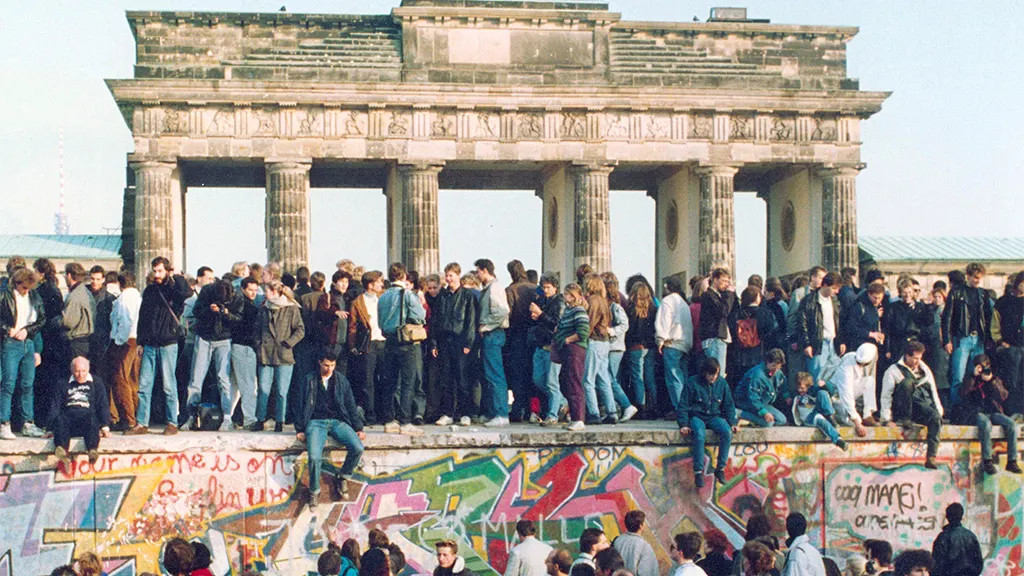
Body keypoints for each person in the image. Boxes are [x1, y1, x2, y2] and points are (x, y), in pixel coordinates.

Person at [295, 352, 365, 511]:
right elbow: (298, 404)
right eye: (326, 365)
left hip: (337, 422)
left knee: (358, 447)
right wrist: (300, 429)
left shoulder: (341, 380)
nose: (329, 369)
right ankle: (314, 491)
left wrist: (358, 427)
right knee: (314, 457)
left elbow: (350, 404)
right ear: (319, 362)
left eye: (332, 365)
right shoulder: (309, 379)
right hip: (315, 423)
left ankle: (343, 477)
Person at [130, 257, 191, 436]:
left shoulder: (173, 289)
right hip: (150, 343)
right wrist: (140, 341)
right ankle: (142, 423)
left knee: (168, 385)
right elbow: (143, 317)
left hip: (168, 343)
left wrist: (177, 276)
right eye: (155, 270)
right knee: (144, 386)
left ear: (167, 271)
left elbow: (186, 292)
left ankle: (172, 422)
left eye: (160, 271)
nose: (156, 274)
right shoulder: (149, 290)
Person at [378, 262, 428, 435]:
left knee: (390, 382)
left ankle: (389, 420)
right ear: (404, 276)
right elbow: (420, 316)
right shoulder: (407, 294)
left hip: (389, 340)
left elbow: (380, 321)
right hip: (406, 341)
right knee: (408, 382)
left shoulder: (383, 296)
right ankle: (405, 421)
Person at [0, 267, 47, 439]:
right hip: (10, 342)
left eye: (29, 287)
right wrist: (8, 330)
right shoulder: (4, 296)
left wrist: (28, 331)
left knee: (28, 384)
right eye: (24, 287)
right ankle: (4, 423)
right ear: (17, 283)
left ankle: (28, 422)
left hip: (28, 342)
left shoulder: (34, 296)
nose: (26, 291)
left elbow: (41, 319)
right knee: (8, 383)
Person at [185, 279, 237, 431]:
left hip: (224, 338)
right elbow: (196, 312)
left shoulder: (234, 296)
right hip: (204, 337)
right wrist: (209, 310)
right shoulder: (206, 292)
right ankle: (192, 416)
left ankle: (227, 417)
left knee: (223, 379)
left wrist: (226, 313)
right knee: (196, 378)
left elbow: (238, 319)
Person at [880, 341, 943, 469]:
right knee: (907, 382)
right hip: (903, 405)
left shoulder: (924, 369)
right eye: (915, 358)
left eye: (919, 358)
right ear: (907, 356)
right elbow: (886, 396)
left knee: (935, 417)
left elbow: (933, 391)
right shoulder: (893, 370)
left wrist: (939, 411)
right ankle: (906, 418)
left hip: (919, 404)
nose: (917, 361)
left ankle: (931, 457)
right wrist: (886, 419)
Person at [955, 354, 1021, 474]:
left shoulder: (994, 379)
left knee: (1011, 424)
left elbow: (1003, 396)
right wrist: (973, 377)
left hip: (993, 411)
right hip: (976, 411)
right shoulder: (970, 378)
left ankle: (1012, 461)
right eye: (979, 367)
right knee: (985, 424)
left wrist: (991, 381)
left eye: (984, 367)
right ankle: (987, 461)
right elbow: (963, 393)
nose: (982, 370)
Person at [432, 263, 479, 427]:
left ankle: (465, 413)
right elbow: (435, 320)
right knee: (446, 378)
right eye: (447, 275)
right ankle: (448, 413)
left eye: (451, 275)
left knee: (463, 378)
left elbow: (471, 320)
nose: (448, 279)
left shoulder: (467, 295)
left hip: (460, 340)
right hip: (444, 340)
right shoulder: (442, 296)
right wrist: (434, 343)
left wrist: (469, 342)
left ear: (458, 275)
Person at [679, 357, 737, 488]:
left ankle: (720, 468)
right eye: (711, 374)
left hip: (714, 416)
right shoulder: (692, 383)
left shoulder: (722, 383)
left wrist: (733, 422)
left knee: (727, 432)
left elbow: (729, 405)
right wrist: (684, 424)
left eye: (716, 374)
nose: (713, 377)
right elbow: (683, 405)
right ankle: (698, 472)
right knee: (699, 435)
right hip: (697, 416)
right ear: (704, 372)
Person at [257, 280, 305, 432]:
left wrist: (289, 343)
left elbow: (300, 330)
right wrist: (258, 345)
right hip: (265, 353)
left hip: (284, 353)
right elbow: (257, 329)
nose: (265, 293)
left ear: (275, 292)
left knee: (282, 391)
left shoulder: (291, 308)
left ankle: (280, 420)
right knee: (263, 388)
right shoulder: (263, 309)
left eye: (267, 291)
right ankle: (260, 419)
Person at [942, 263, 992, 407]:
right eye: (975, 277)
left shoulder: (983, 294)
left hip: (979, 339)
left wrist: (988, 338)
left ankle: (973, 407)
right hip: (962, 338)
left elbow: (988, 318)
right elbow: (947, 317)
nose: (978, 280)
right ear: (968, 276)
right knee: (958, 376)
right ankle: (956, 409)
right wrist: (947, 340)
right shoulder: (956, 292)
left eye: (980, 278)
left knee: (977, 375)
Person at [53, 356, 111, 465]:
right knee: (61, 420)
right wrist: (49, 428)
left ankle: (92, 450)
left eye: (83, 371)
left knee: (93, 420)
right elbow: (55, 405)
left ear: (88, 369)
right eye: (77, 371)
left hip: (87, 419)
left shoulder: (96, 382)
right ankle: (61, 449)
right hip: (69, 418)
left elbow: (103, 404)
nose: (80, 375)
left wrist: (105, 425)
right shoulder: (63, 383)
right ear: (72, 370)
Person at [475, 259, 511, 427]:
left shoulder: (494, 288)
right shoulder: (489, 288)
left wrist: (486, 326)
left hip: (493, 333)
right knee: (490, 374)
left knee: (495, 375)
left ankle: (501, 413)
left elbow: (503, 311)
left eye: (478, 271)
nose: (477, 275)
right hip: (491, 334)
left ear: (484, 271)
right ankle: (493, 412)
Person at [348, 270, 387, 426]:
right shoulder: (357, 302)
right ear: (370, 285)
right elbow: (352, 327)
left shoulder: (384, 297)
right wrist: (352, 346)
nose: (381, 284)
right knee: (368, 381)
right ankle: (370, 415)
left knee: (385, 379)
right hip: (368, 344)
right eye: (379, 282)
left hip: (384, 342)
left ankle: (385, 414)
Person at [529, 273, 566, 427]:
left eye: (548, 287)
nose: (545, 290)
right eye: (543, 287)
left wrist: (540, 314)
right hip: (541, 345)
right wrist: (537, 316)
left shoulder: (559, 302)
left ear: (555, 288)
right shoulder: (543, 300)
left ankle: (552, 415)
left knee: (551, 382)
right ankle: (562, 402)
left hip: (552, 346)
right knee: (538, 380)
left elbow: (557, 324)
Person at [107, 271, 142, 432]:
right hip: (137, 340)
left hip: (125, 341)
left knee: (120, 380)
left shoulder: (123, 299)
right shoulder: (138, 297)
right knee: (133, 380)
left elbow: (124, 321)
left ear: (120, 284)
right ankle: (134, 416)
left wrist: (119, 341)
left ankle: (127, 418)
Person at [656, 275, 694, 414]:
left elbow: (664, 321)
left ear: (667, 287)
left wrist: (660, 339)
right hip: (685, 344)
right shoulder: (684, 303)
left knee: (674, 378)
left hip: (672, 343)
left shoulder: (667, 301)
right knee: (682, 377)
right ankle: (686, 407)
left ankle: (680, 409)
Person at [506, 259, 538, 422]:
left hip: (516, 335)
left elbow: (509, 314)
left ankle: (518, 409)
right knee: (531, 373)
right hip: (534, 334)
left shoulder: (511, 290)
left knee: (517, 374)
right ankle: (532, 409)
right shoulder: (534, 288)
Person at [798, 272, 845, 382]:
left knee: (833, 378)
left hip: (833, 343)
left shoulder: (835, 300)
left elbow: (839, 322)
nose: (836, 291)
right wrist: (807, 344)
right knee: (816, 378)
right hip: (818, 344)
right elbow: (802, 324)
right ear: (825, 285)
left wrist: (841, 341)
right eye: (834, 288)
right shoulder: (808, 301)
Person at [555, 283, 590, 431]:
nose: (564, 296)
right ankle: (574, 414)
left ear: (572, 296)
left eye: (566, 294)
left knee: (574, 382)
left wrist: (568, 339)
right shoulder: (568, 310)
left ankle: (579, 418)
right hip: (567, 350)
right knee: (564, 381)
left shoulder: (579, 310)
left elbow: (583, 331)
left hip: (575, 349)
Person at [582, 274, 617, 424]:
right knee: (603, 378)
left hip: (594, 341)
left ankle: (593, 413)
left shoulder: (592, 301)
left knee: (588, 380)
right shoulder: (603, 300)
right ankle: (612, 412)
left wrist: (580, 338)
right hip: (604, 342)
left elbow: (588, 324)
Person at [604, 273, 638, 422]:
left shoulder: (615, 307)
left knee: (609, 378)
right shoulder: (611, 306)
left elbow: (624, 325)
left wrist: (611, 331)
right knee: (610, 378)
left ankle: (626, 405)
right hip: (611, 347)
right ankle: (616, 407)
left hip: (615, 347)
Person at [825, 343, 879, 437]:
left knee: (869, 381)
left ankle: (867, 415)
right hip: (836, 397)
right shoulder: (846, 369)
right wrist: (857, 423)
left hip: (850, 391)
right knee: (850, 423)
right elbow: (847, 394)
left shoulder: (854, 355)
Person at [231, 277, 262, 430]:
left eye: (255, 290)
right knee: (248, 385)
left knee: (234, 385)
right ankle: (249, 418)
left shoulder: (236, 303)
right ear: (243, 289)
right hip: (245, 347)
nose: (253, 293)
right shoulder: (249, 307)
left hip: (236, 346)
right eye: (250, 290)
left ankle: (227, 417)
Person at [991, 271, 1024, 411]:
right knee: (1011, 381)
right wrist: (1000, 342)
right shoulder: (1003, 302)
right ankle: (1011, 411)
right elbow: (994, 325)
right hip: (1009, 349)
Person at [729, 286, 774, 388]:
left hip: (738, 356)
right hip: (759, 353)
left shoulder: (735, 314)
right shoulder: (765, 313)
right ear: (757, 297)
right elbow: (770, 333)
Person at [625, 281, 658, 419]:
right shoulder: (653, 308)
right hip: (650, 346)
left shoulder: (632, 309)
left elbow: (630, 330)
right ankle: (653, 406)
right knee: (650, 377)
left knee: (637, 377)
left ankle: (641, 407)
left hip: (635, 346)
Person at [791, 372, 847, 450]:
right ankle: (838, 440)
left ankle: (830, 416)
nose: (800, 390)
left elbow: (831, 392)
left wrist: (825, 385)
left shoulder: (812, 391)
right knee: (822, 422)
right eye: (798, 388)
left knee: (822, 393)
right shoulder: (795, 394)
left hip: (816, 410)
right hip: (808, 417)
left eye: (802, 388)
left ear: (808, 387)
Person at [735, 349, 788, 427]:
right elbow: (753, 398)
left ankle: (752, 421)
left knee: (781, 420)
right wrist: (764, 412)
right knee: (768, 423)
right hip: (747, 403)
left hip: (763, 403)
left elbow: (783, 385)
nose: (776, 370)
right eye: (773, 366)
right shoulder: (757, 375)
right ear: (768, 362)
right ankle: (739, 413)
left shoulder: (777, 372)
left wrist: (787, 396)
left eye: (778, 367)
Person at [699, 267, 737, 374]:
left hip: (718, 338)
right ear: (715, 279)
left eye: (728, 282)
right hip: (714, 339)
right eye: (724, 281)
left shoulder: (719, 296)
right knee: (717, 373)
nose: (726, 284)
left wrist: (731, 295)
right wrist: (729, 294)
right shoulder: (709, 295)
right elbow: (723, 311)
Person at [933, 504, 984, 576]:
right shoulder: (971, 536)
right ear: (962, 517)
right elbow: (979, 562)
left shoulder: (943, 537)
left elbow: (937, 565)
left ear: (947, 517)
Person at [62, 262, 96, 362]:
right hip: (86, 340)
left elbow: (69, 322)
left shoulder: (75, 295)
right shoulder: (86, 292)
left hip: (76, 341)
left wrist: (57, 320)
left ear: (69, 275)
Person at [613, 510, 657, 576]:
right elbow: (646, 573)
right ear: (641, 526)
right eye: (644, 522)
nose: (646, 524)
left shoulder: (618, 540)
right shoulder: (645, 547)